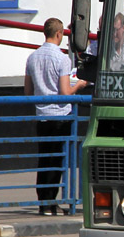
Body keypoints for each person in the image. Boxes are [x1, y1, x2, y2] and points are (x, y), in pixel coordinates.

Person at [24, 17, 87, 215]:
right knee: (57, 159)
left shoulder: (32, 58)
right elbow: (64, 92)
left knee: (44, 158)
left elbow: (27, 91)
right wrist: (79, 85)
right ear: (59, 34)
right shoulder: (62, 59)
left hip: (41, 114)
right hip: (60, 115)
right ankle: (52, 201)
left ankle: (43, 201)